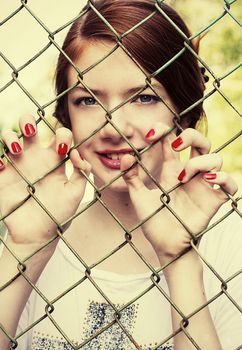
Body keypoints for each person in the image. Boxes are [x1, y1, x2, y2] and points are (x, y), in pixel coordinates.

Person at [0, 0, 241, 349]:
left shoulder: (232, 243)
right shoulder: (29, 227)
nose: (113, 127)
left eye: (143, 98)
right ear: (66, 116)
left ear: (184, 115)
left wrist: (180, 258)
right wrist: (25, 247)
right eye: (88, 100)